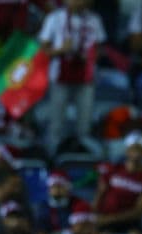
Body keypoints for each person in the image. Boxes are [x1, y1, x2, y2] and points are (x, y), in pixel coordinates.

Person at [38, 0, 107, 155]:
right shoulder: (55, 18)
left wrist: (90, 55)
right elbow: (42, 52)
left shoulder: (95, 20)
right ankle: (54, 154)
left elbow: (101, 49)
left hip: (85, 76)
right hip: (60, 76)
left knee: (84, 122)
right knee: (57, 122)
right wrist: (61, 50)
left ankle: (83, 153)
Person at [93, 133, 142, 234]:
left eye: (139, 149)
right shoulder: (113, 169)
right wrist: (94, 215)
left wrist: (110, 219)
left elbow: (138, 211)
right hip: (104, 218)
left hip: (129, 222)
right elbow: (99, 194)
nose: (136, 152)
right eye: (133, 148)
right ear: (127, 150)